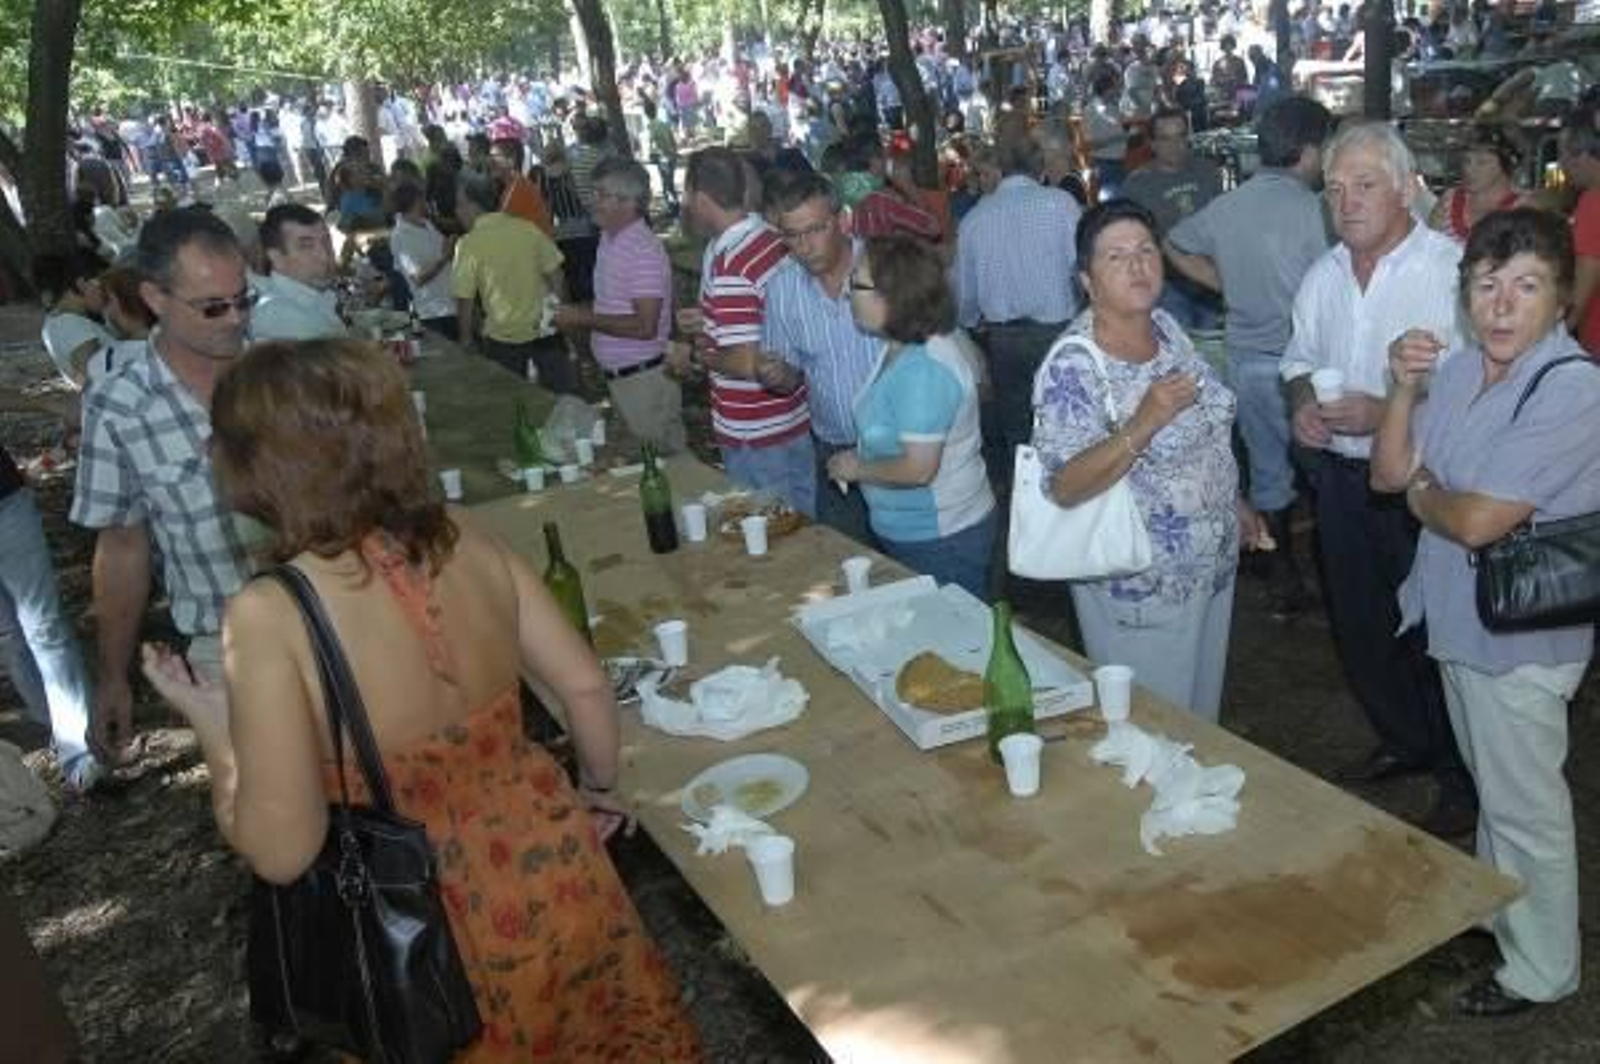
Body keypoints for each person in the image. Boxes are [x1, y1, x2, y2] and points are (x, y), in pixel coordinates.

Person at [138, 338, 704, 1061]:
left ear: (262, 465)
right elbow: (585, 686)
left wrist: (215, 728)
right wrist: (597, 788)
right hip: (556, 871)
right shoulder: (465, 537)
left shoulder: (271, 614)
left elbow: (282, 853)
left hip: (429, 933)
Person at [1370, 209, 1600, 1017]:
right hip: (1458, 616)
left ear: (1561, 303)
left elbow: (1476, 522)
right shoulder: (1463, 370)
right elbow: (1388, 474)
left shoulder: (1574, 389)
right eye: (1487, 285)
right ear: (1467, 297)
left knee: (1526, 803)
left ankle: (1541, 968)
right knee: (1495, 785)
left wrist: (1429, 494)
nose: (1503, 305)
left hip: (1523, 635)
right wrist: (1401, 386)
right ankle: (1508, 911)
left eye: (1527, 286)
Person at [1280, 121, 1478, 837]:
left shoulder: (1451, 271)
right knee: (1361, 627)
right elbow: (1297, 358)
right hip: (1339, 479)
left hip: (1422, 485)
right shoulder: (1323, 274)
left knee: (1435, 633)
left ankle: (1462, 776)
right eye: (1335, 188)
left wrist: (1394, 404)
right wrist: (1305, 405)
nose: (1348, 201)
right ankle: (1406, 740)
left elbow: (1483, 381)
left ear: (1404, 188)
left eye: (1365, 185)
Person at [1031, 199, 1255, 721]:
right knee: (1153, 726)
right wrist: (1142, 423)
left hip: (1206, 568)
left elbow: (1203, 429)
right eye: (1116, 257)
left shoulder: (1165, 328)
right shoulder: (1074, 365)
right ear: (1087, 279)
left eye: (1146, 250)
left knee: (1198, 719)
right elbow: (1064, 485)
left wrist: (1233, 499)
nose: (1137, 266)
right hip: (1139, 584)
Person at [70, 207, 259, 764]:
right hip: (222, 648)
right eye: (212, 306)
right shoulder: (118, 406)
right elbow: (123, 547)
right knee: (270, 820)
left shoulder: (282, 369)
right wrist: (113, 675)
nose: (235, 319)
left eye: (243, 299)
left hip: (326, 622)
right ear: (154, 299)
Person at [1166, 96, 1334, 616]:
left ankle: (1282, 577)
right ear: (1308, 150)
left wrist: (1222, 283)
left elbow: (1172, 241)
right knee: (1327, 473)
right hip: (1304, 366)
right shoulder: (1319, 211)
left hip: (1246, 358)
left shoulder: (1228, 206)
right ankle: (1336, 577)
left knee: (1267, 472)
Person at [825, 236, 996, 599]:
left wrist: (855, 467)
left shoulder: (924, 370)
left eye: (856, 283)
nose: (845, 292)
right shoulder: (902, 345)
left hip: (942, 536)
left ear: (892, 296)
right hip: (919, 532)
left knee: (955, 639)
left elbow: (919, 469)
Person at [676, 147, 814, 516]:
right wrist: (713, 322)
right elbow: (765, 319)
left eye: (687, 194)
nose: (686, 203)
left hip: (755, 431)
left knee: (779, 539)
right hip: (792, 416)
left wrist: (694, 354)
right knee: (805, 524)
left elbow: (745, 361)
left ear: (703, 199)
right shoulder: (771, 238)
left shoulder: (733, 263)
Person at [954, 132, 1081, 497]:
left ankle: (1028, 507)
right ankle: (1071, 500)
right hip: (1058, 332)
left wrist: (970, 323)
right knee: (1066, 424)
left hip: (1004, 339)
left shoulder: (976, 219)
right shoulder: (1061, 204)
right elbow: (1082, 268)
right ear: (1039, 166)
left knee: (1018, 432)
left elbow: (965, 294)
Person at [759, 170, 881, 544]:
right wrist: (779, 376)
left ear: (842, 221)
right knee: (850, 566)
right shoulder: (781, 290)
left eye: (814, 230)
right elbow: (793, 376)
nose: (803, 246)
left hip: (898, 450)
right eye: (792, 236)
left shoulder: (885, 267)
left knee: (916, 574)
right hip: (833, 456)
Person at [552, 158, 684, 454]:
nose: (592, 202)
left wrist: (582, 318)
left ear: (628, 202)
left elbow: (645, 326)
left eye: (601, 195)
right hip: (626, 379)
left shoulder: (640, 249)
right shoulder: (610, 239)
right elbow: (612, 306)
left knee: (671, 470)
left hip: (645, 382)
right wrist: (574, 315)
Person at [453, 170, 571, 391]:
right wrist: (555, 312)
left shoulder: (468, 245)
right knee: (561, 397)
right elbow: (557, 276)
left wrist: (466, 338)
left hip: (502, 337)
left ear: (474, 205)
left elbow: (464, 300)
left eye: (459, 204)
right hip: (545, 329)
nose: (457, 211)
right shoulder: (527, 229)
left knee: (513, 401)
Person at [1121, 106, 1223, 330]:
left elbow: (1223, 224)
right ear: (1153, 143)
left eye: (1180, 136)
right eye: (1165, 139)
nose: (1175, 146)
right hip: (1168, 286)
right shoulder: (1137, 184)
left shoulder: (1208, 171)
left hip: (1211, 280)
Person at [250, 203, 345, 342]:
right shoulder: (280, 315)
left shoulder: (309, 298)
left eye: (326, 241)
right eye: (306, 246)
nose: (324, 255)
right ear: (277, 258)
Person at [1427, 125, 1529, 243]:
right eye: (1466, 160)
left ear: (1506, 166)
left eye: (1482, 162)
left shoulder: (1523, 208)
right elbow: (1426, 249)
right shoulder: (1449, 200)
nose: (1469, 169)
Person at [389, 182, 458, 340]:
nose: (426, 202)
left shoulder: (426, 224)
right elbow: (418, 278)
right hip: (434, 312)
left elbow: (441, 254)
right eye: (423, 198)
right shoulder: (400, 236)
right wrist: (445, 257)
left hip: (451, 303)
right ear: (416, 201)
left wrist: (449, 245)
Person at [1558, 103, 1600, 356]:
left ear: (1583, 154)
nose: (1561, 164)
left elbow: (1577, 300)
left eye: (1563, 154)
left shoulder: (1594, 202)